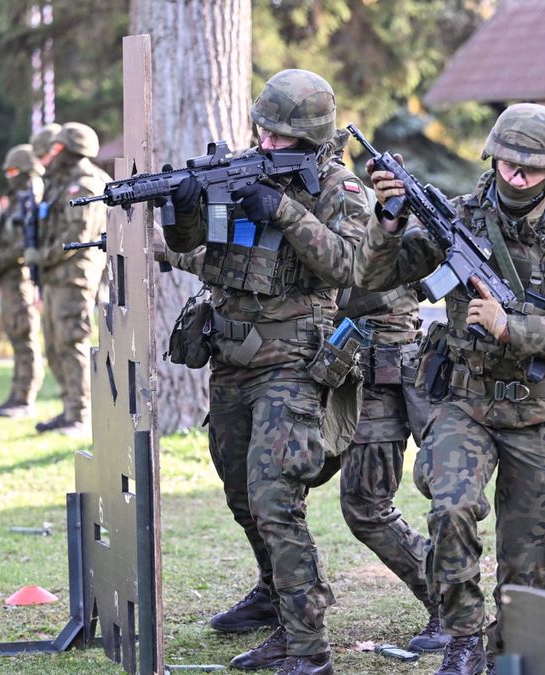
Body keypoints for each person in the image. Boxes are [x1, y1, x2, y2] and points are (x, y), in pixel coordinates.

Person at [358, 102, 545, 675]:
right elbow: (376, 276)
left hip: (541, 414)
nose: (515, 176)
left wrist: (511, 327)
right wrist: (388, 221)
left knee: (529, 564)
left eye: (530, 167)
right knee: (451, 509)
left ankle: (510, 648)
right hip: (465, 402)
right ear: (491, 156)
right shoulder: (459, 216)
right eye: (507, 162)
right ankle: (464, 638)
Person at [164, 68, 368, 675]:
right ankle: (277, 602)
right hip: (231, 359)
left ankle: (308, 648)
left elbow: (350, 266)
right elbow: (193, 244)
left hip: (293, 364)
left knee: (275, 499)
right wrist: (183, 208)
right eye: (263, 131)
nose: (266, 143)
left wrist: (283, 209)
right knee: (241, 493)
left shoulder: (338, 188)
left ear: (310, 139)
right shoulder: (244, 171)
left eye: (279, 136)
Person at [333, 284, 451, 653]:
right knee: (266, 490)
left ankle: (449, 600)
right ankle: (274, 595)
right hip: (314, 362)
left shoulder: (396, 247)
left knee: (367, 507)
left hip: (375, 373)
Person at [24, 122, 109, 435]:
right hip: (55, 276)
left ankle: (79, 413)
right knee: (54, 345)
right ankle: (69, 407)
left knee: (72, 342)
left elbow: (76, 237)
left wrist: (41, 256)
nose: (52, 153)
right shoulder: (61, 182)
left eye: (58, 148)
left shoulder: (85, 185)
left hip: (74, 277)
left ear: (72, 151)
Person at [0, 144, 45, 417]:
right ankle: (17, 393)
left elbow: (24, 242)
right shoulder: (16, 199)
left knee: (24, 334)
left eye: (13, 171)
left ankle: (25, 397)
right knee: (16, 336)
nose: (9, 176)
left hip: (21, 278)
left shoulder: (32, 196)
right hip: (9, 278)